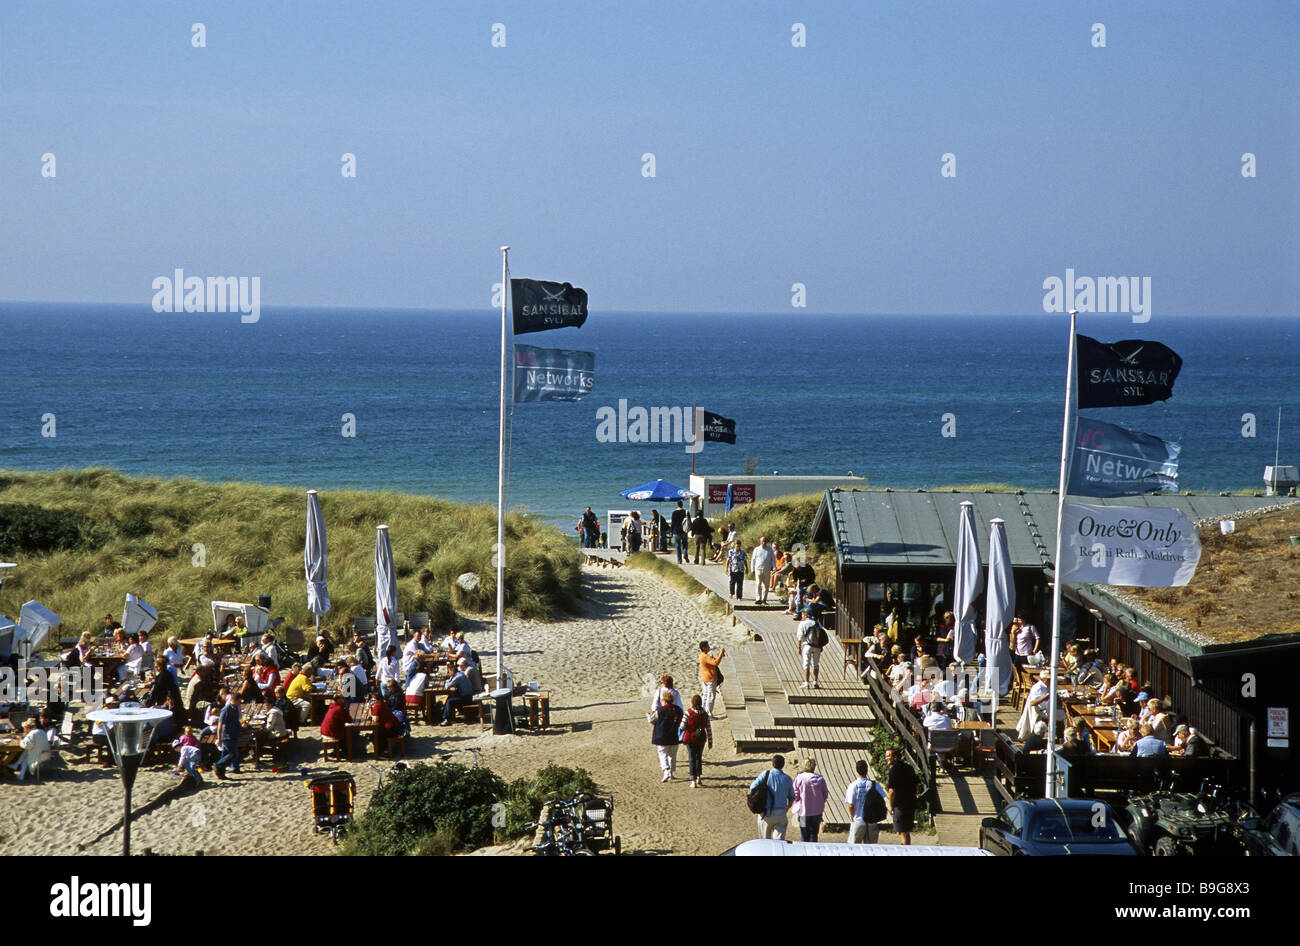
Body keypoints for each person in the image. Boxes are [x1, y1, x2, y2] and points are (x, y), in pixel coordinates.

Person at [749, 755, 795, 840]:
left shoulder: (766, 774)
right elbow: (792, 798)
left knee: (764, 842)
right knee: (779, 843)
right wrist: (787, 808)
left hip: (766, 813)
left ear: (773, 764)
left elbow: (752, 787)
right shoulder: (787, 779)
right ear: (783, 765)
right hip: (781, 813)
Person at [844, 759, 888, 844]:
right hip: (872, 820)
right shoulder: (874, 784)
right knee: (871, 849)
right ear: (867, 770)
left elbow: (850, 805)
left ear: (857, 770)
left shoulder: (853, 786)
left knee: (854, 848)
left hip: (858, 820)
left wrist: (852, 817)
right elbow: (884, 798)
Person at [884, 747, 917, 845]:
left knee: (902, 833)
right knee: (906, 832)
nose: (886, 758)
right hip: (910, 804)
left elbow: (891, 791)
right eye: (886, 756)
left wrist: (890, 806)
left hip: (900, 805)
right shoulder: (909, 767)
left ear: (895, 757)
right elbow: (917, 785)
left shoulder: (893, 771)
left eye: (888, 756)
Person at [792, 757, 830, 842]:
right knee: (814, 834)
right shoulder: (820, 778)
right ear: (814, 766)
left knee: (804, 835)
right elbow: (825, 794)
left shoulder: (800, 778)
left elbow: (795, 794)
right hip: (817, 812)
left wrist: (796, 802)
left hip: (803, 812)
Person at [650, 688, 683, 782]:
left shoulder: (660, 710)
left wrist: (648, 716)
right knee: (672, 755)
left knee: (663, 754)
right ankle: (671, 773)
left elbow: (652, 720)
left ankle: (666, 770)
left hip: (662, 736)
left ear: (664, 700)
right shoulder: (678, 710)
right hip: (674, 736)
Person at [680, 694, 712, 787]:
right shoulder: (705, 714)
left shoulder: (688, 713)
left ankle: (692, 779)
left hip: (690, 738)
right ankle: (699, 777)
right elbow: (708, 729)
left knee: (691, 758)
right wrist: (710, 741)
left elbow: (682, 726)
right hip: (701, 738)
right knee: (699, 757)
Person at [439, 659, 476, 726]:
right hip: (468, 695)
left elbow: (447, 686)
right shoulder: (460, 673)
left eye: (449, 672)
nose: (449, 673)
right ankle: (447, 717)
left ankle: (447, 719)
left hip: (466, 698)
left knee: (450, 701)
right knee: (450, 698)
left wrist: (449, 679)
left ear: (452, 671)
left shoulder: (458, 677)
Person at [215, 692, 242, 779]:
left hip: (233, 734)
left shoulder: (235, 708)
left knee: (225, 753)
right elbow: (220, 724)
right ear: (235, 700)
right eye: (239, 701)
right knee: (232, 754)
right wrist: (219, 738)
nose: (240, 703)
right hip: (227, 735)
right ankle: (218, 765)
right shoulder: (226, 710)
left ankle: (221, 773)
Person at [797, 609, 825, 690]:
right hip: (817, 646)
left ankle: (806, 683)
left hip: (807, 645)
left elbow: (800, 637)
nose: (801, 616)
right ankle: (815, 682)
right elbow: (821, 635)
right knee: (816, 664)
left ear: (806, 615)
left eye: (802, 614)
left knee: (806, 663)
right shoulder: (816, 622)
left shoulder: (802, 624)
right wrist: (821, 646)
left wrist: (799, 647)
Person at [698, 642, 724, 717]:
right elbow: (716, 663)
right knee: (711, 696)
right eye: (707, 646)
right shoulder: (705, 656)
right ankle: (708, 713)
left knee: (705, 695)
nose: (709, 647)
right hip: (710, 679)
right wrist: (721, 653)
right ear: (704, 648)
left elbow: (712, 662)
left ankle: (703, 711)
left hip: (705, 678)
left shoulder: (702, 656)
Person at [750, 536, 775, 604]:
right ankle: (758, 599)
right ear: (760, 542)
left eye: (765, 541)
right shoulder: (756, 549)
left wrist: (774, 568)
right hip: (758, 569)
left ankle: (764, 599)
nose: (764, 542)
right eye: (762, 541)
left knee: (766, 585)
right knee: (758, 584)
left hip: (767, 569)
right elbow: (753, 559)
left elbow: (773, 559)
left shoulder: (770, 549)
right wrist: (752, 568)